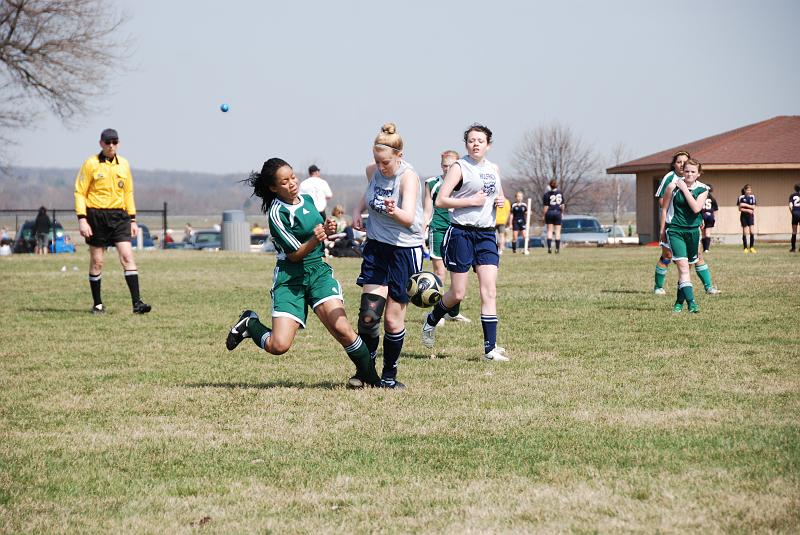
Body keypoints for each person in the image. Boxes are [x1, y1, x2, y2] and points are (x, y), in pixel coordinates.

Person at [225, 158, 380, 388]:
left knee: (342, 328)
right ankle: (251, 324)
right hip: (291, 279)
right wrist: (316, 237)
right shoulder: (277, 214)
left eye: (293, 177)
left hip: (318, 271)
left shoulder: (307, 200)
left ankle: (373, 380)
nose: (292, 183)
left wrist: (327, 229)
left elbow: (320, 231)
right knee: (279, 346)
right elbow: (294, 255)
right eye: (284, 181)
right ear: (273, 188)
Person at [421, 124, 509, 362]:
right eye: (471, 140)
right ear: (467, 144)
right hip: (461, 233)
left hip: (486, 235)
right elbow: (441, 200)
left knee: (489, 291)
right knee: (457, 293)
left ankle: (490, 349)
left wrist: (500, 201)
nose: (476, 144)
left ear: (488, 144)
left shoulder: (493, 169)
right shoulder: (460, 167)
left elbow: (496, 196)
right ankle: (431, 320)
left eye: (480, 140)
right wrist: (470, 200)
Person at [351, 123, 424, 389]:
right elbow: (368, 194)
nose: (381, 167)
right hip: (377, 247)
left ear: (399, 155)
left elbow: (409, 219)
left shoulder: (408, 178)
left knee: (393, 321)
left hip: (405, 250)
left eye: (385, 162)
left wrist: (394, 212)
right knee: (369, 315)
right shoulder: (372, 171)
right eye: (377, 161)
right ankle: (365, 372)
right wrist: (358, 211)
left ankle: (390, 376)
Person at [74, 129, 151, 314]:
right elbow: (80, 192)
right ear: (101, 143)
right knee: (97, 262)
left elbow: (128, 193)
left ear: (118, 143)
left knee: (127, 257)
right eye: (108, 142)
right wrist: (82, 219)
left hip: (119, 216)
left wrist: (132, 219)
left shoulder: (124, 164)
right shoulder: (90, 163)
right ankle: (98, 304)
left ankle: (137, 304)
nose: (111, 146)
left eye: (114, 142)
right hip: (96, 217)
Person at [652, 151, 720, 296]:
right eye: (679, 162)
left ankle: (707, 287)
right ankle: (658, 287)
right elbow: (661, 201)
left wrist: (698, 217)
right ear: (674, 164)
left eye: (685, 161)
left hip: (690, 227)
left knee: (697, 255)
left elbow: (696, 206)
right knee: (667, 255)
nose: (682, 165)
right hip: (673, 225)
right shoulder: (670, 179)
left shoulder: (697, 183)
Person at [422, 150, 470, 322]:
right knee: (440, 273)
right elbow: (427, 211)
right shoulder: (432, 183)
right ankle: (438, 313)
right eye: (444, 166)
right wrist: (423, 230)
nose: (447, 169)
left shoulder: (466, 183)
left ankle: (453, 312)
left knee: (457, 273)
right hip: (438, 230)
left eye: (451, 166)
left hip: (458, 231)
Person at [659, 159, 709, 313]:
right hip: (675, 231)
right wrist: (662, 230)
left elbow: (696, 208)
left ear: (698, 174)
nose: (689, 174)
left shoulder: (703, 189)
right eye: (687, 171)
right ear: (683, 171)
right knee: (683, 268)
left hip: (693, 232)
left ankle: (679, 302)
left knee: (687, 268)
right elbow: (664, 208)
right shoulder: (672, 186)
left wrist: (684, 189)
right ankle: (692, 303)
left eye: (693, 171)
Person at [543, 180, 565, 254]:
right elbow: (562, 205)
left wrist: (544, 215)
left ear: (550, 186)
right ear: (557, 185)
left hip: (550, 212)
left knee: (549, 231)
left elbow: (546, 207)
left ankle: (549, 248)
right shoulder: (560, 193)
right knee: (557, 232)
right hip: (557, 212)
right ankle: (557, 249)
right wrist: (562, 212)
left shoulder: (546, 194)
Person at [738, 184, 757, 253]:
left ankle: (752, 247)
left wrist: (744, 205)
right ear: (745, 190)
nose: (749, 191)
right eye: (747, 190)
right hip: (743, 216)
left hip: (750, 216)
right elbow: (740, 208)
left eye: (750, 190)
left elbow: (753, 207)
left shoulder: (753, 197)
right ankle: (745, 248)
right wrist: (748, 209)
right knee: (745, 232)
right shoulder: (741, 197)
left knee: (752, 231)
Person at [700, 185, 719, 252]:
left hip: (703, 215)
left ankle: (704, 248)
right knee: (708, 233)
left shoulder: (701, 197)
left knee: (703, 233)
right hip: (710, 216)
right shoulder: (712, 199)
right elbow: (716, 209)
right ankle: (706, 249)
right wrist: (714, 217)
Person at [495, 190, 510, 255]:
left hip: (495, 220)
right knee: (502, 236)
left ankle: (497, 249)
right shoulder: (507, 202)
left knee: (495, 235)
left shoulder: (496, 200)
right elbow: (508, 212)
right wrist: (506, 220)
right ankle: (501, 249)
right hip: (502, 220)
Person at [790, 183, 800, 252]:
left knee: (794, 231)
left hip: (795, 213)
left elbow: (790, 206)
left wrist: (793, 213)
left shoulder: (792, 195)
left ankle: (793, 248)